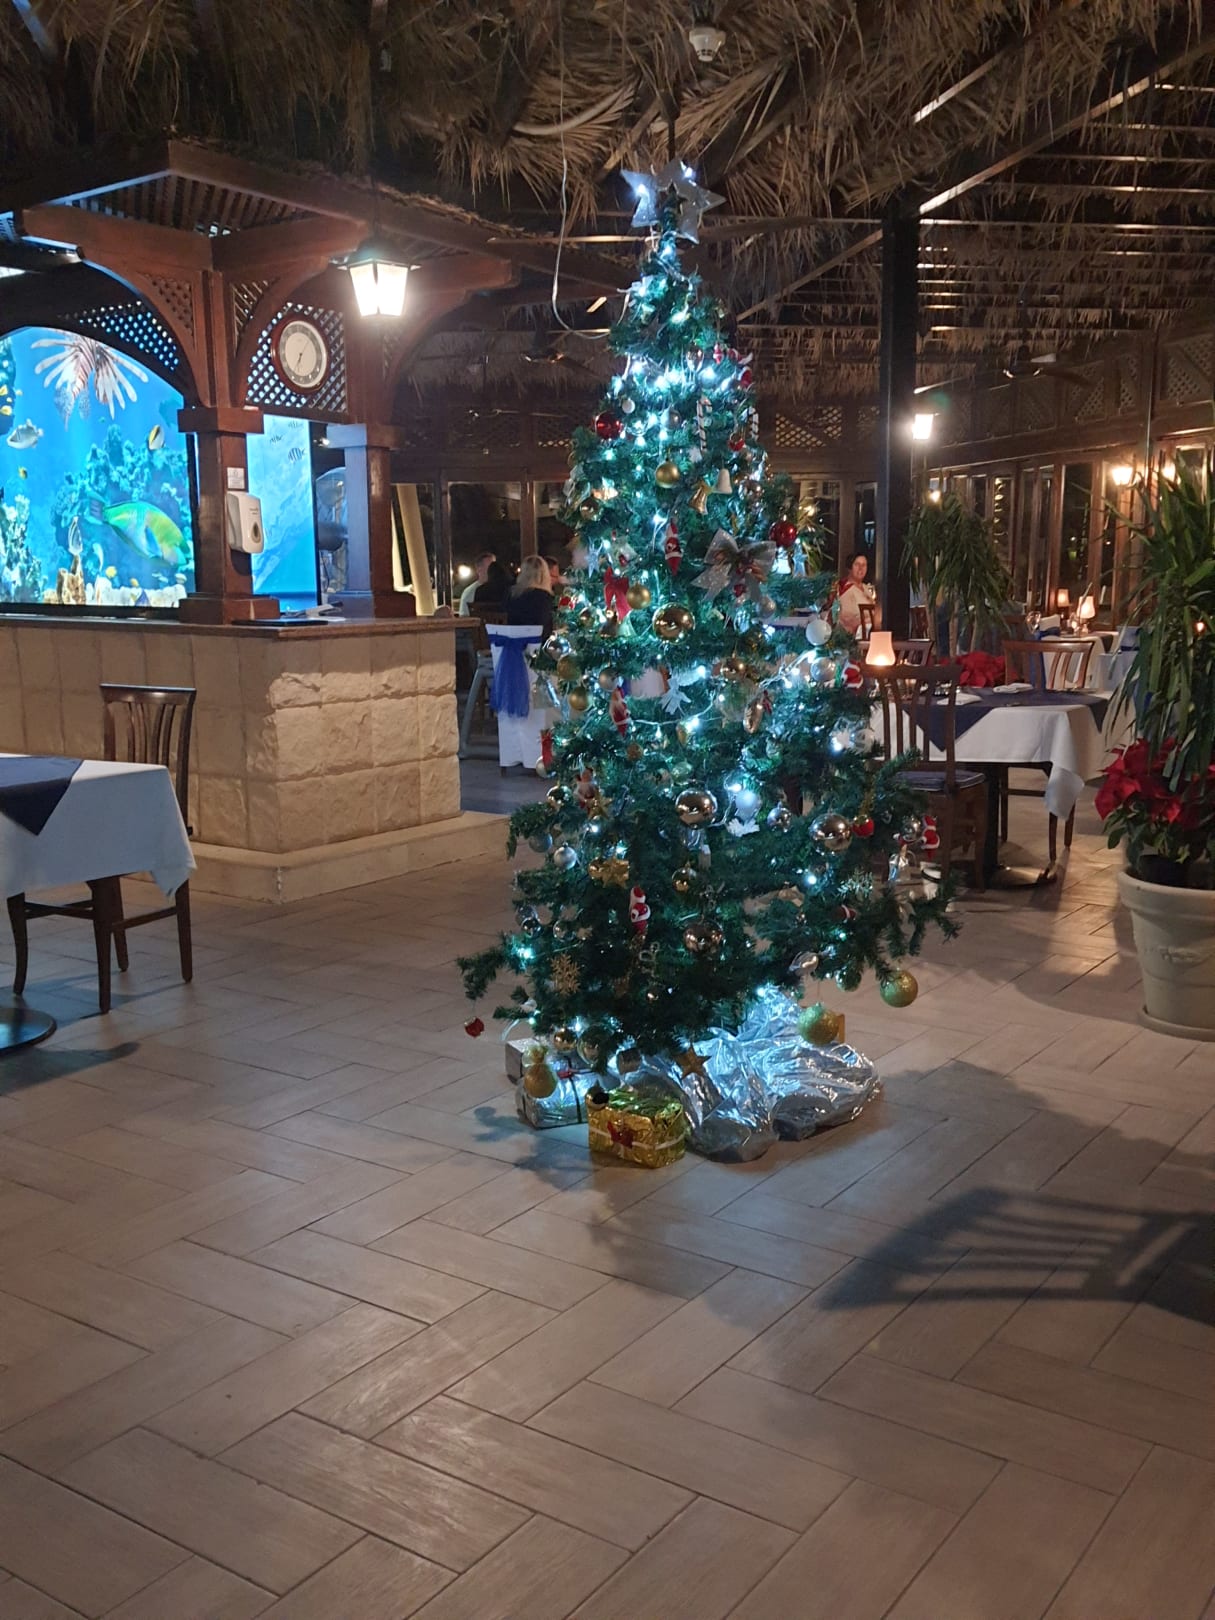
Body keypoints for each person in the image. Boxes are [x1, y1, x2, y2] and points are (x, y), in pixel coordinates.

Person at [507, 553, 555, 639]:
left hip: (513, 640)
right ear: (544, 575)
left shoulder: (511, 594)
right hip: (537, 642)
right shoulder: (545, 598)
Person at [832, 550, 876, 636]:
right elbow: (846, 617)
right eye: (857, 564)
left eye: (864, 565)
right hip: (851, 636)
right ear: (850, 567)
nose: (861, 568)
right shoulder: (845, 588)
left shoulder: (866, 588)